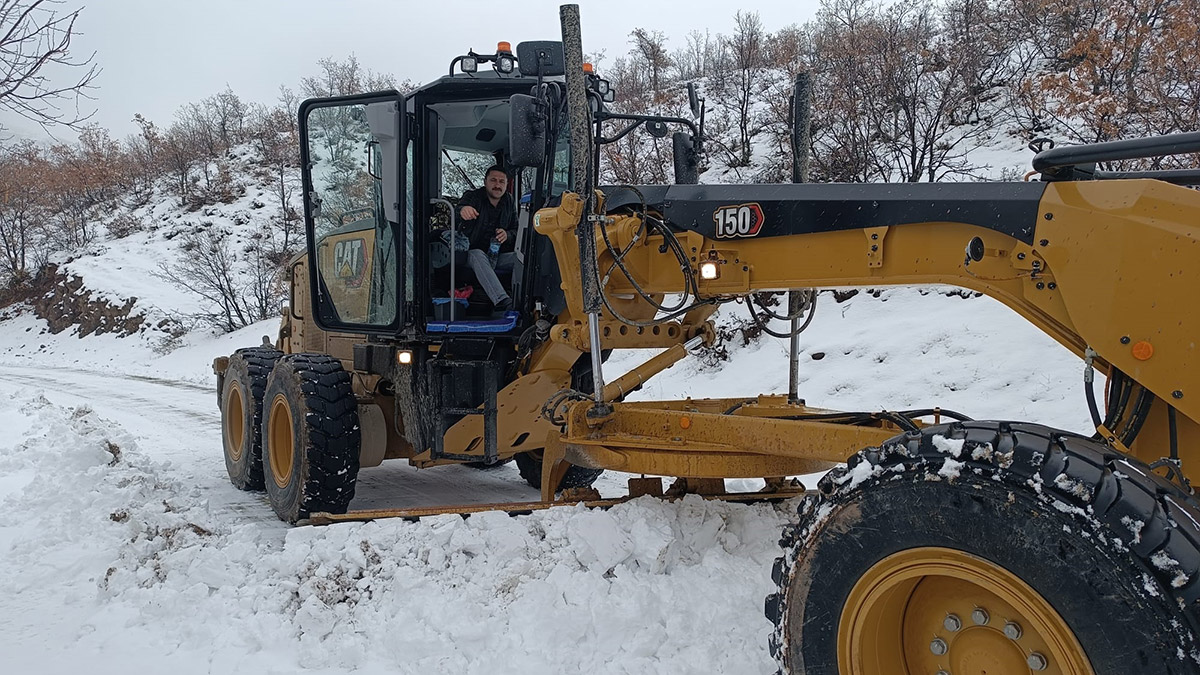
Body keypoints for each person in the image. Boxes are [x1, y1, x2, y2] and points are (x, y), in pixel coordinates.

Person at [458, 165, 517, 311]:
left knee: (523, 258)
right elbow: (457, 210)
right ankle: (503, 302)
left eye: (502, 182)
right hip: (469, 255)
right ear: (485, 182)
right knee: (478, 254)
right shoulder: (472, 197)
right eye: (493, 180)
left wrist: (507, 235)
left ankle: (532, 300)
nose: (497, 185)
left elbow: (516, 229)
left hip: (496, 256)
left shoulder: (509, 202)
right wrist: (463, 210)